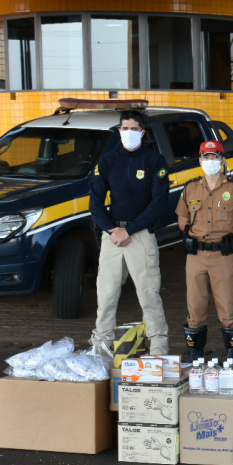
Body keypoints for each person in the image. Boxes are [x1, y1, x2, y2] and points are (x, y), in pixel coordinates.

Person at [89, 110, 170, 356]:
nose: (128, 133)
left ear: (143, 133)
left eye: (134, 128)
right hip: (112, 234)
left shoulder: (154, 161)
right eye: (124, 128)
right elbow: (95, 201)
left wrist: (130, 229)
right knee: (106, 294)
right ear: (118, 131)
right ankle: (100, 346)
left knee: (148, 294)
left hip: (140, 233)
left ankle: (158, 347)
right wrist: (111, 228)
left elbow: (159, 204)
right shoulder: (108, 161)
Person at [176, 140, 233, 377]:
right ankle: (195, 356)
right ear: (200, 161)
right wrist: (189, 235)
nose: (210, 162)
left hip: (223, 255)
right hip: (196, 256)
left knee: (228, 308)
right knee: (195, 307)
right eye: (206, 157)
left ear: (222, 160)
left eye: (215, 157)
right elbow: (182, 219)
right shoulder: (190, 188)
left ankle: (232, 357)